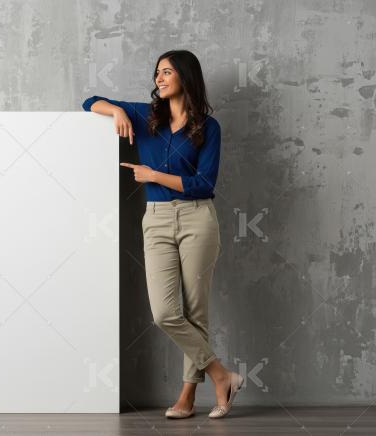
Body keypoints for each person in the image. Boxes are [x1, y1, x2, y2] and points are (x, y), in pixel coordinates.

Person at [83, 49, 242, 419]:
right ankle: (222, 376)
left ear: (185, 77)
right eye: (157, 72)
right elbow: (88, 102)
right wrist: (117, 110)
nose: (159, 77)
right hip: (155, 220)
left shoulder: (208, 127)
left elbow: (203, 184)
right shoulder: (144, 115)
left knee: (196, 309)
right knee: (166, 313)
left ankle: (186, 398)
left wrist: (153, 176)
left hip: (198, 219)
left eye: (167, 71)